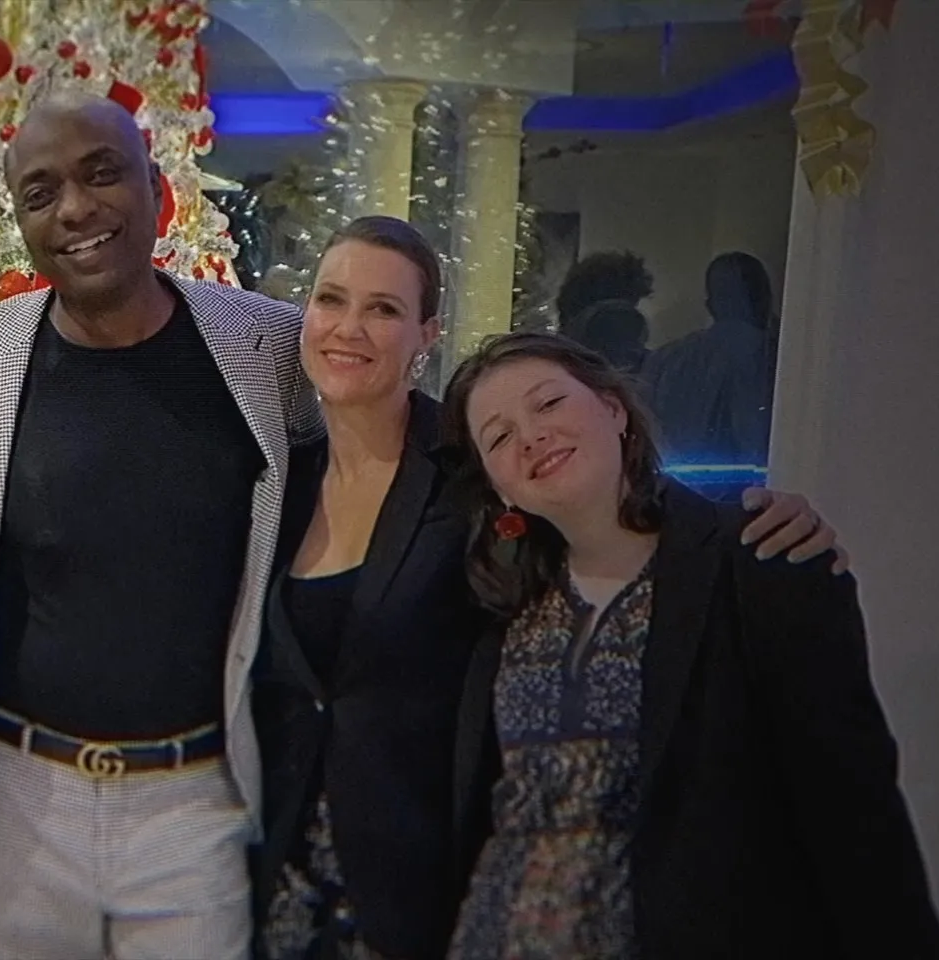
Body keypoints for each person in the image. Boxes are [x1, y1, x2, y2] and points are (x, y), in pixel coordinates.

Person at [252, 218, 842, 960]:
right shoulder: (277, 480)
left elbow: (607, 512)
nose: (349, 327)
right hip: (282, 886)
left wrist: (754, 524)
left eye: (384, 308)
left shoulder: (473, 468)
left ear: (427, 334)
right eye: (331, 299)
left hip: (424, 889)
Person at [0, 89, 322, 959]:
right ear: (19, 220)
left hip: (194, 804)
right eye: (41, 192)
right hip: (16, 801)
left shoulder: (271, 349)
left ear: (157, 187)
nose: (75, 209)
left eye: (101, 174)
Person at [444, 332, 939, 959]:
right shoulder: (500, 608)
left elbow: (853, 809)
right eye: (499, 437)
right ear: (498, 489)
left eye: (549, 403)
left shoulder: (761, 560)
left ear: (613, 410)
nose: (531, 436)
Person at [638, 251, 778, 464]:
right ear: (764, 298)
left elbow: (646, 433)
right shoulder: (774, 356)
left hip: (675, 478)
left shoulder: (667, 359)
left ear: (710, 305)